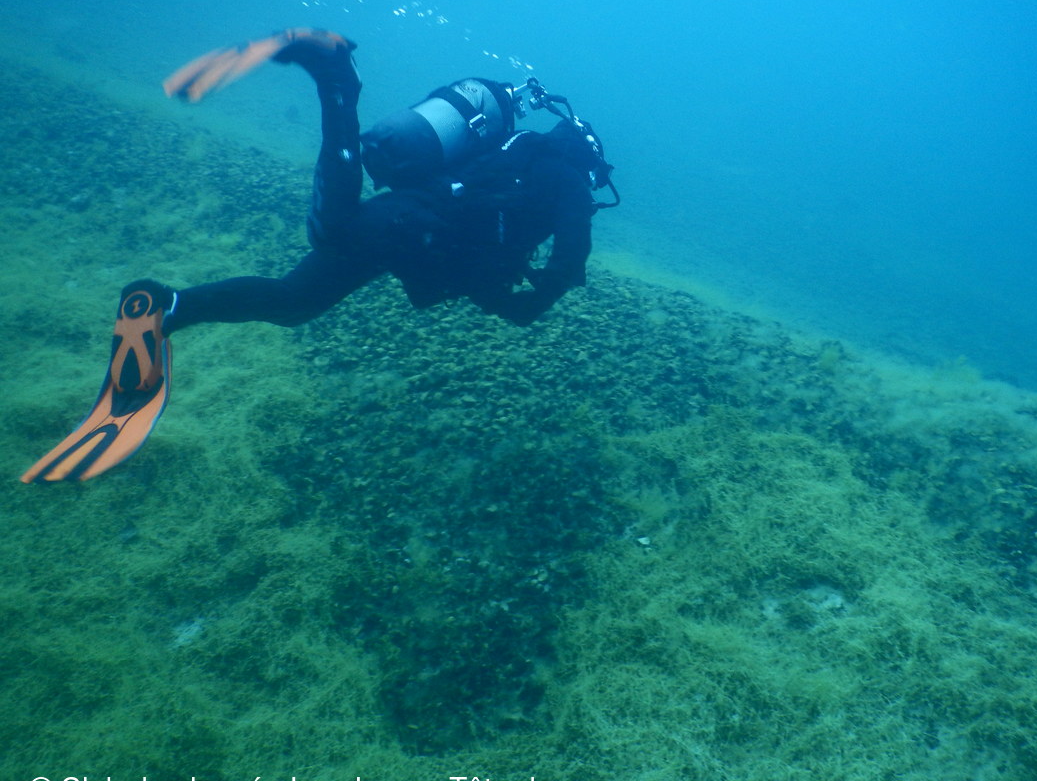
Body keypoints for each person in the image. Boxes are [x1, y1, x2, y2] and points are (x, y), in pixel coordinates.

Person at [22, 28, 617, 483]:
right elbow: (568, 260)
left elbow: (479, 240)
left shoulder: (512, 155)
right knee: (327, 240)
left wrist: (501, 293)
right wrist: (530, 304)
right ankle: (337, 79)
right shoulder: (564, 179)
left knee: (294, 300)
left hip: (406, 226)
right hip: (410, 234)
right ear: (586, 160)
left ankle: (167, 308)